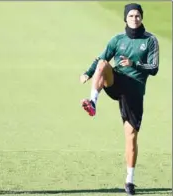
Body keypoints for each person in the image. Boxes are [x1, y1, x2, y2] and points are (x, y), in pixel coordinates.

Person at [80, 3, 159, 195]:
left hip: (135, 89)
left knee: (131, 137)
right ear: (125, 18)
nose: (134, 18)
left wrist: (135, 63)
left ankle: (129, 181)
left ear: (142, 18)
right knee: (103, 64)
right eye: (131, 16)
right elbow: (101, 57)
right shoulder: (117, 40)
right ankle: (93, 102)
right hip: (117, 82)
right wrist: (87, 73)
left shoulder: (150, 40)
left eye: (138, 15)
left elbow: (154, 68)